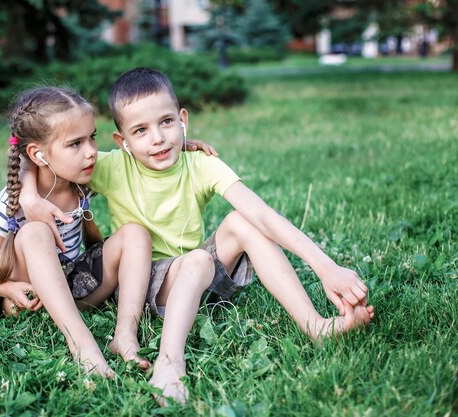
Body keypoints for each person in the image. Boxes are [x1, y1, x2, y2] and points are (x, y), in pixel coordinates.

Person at [20, 69, 375, 405]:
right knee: (200, 259)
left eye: (166, 122)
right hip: (145, 283)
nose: (158, 138)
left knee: (242, 222)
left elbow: (263, 214)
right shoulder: (111, 167)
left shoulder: (202, 165)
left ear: (183, 120)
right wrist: (28, 194)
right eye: (140, 131)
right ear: (122, 140)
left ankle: (314, 324)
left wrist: (327, 267)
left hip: (196, 276)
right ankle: (169, 363)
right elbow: (39, 153)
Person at [0, 86, 154, 377]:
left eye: (92, 137)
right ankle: (82, 345)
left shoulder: (83, 181)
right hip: (28, 299)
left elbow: (144, 156)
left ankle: (126, 336)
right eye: (75, 143)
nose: (91, 151)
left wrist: (183, 143)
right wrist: (8, 289)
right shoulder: (12, 201)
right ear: (38, 155)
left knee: (136, 234)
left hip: (74, 288)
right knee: (34, 232)